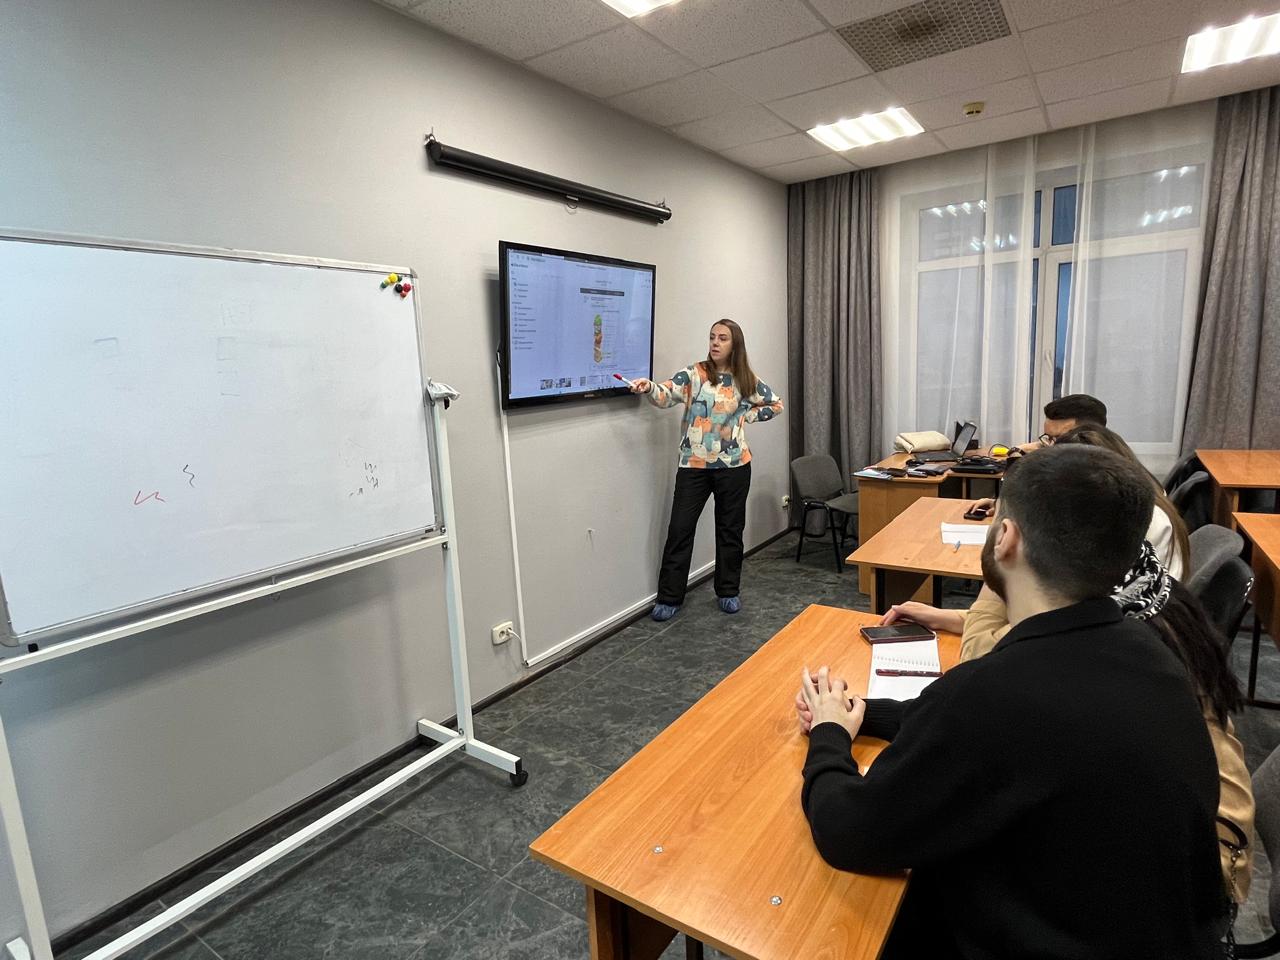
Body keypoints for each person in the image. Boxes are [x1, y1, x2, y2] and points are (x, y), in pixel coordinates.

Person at [795, 445, 1227, 957]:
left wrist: (827, 736)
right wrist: (866, 713)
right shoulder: (1149, 652)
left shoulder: (993, 694)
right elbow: (989, 732)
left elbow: (849, 830)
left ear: (1006, 539)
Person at [630, 319, 782, 621]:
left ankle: (728, 591)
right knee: (680, 529)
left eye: (722, 338)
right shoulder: (694, 373)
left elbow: (775, 404)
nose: (715, 342)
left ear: (735, 344)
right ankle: (669, 597)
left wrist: (745, 417)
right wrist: (647, 387)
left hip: (735, 467)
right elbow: (664, 394)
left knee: (730, 531)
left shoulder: (746, 379)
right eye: (712, 337)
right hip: (694, 466)